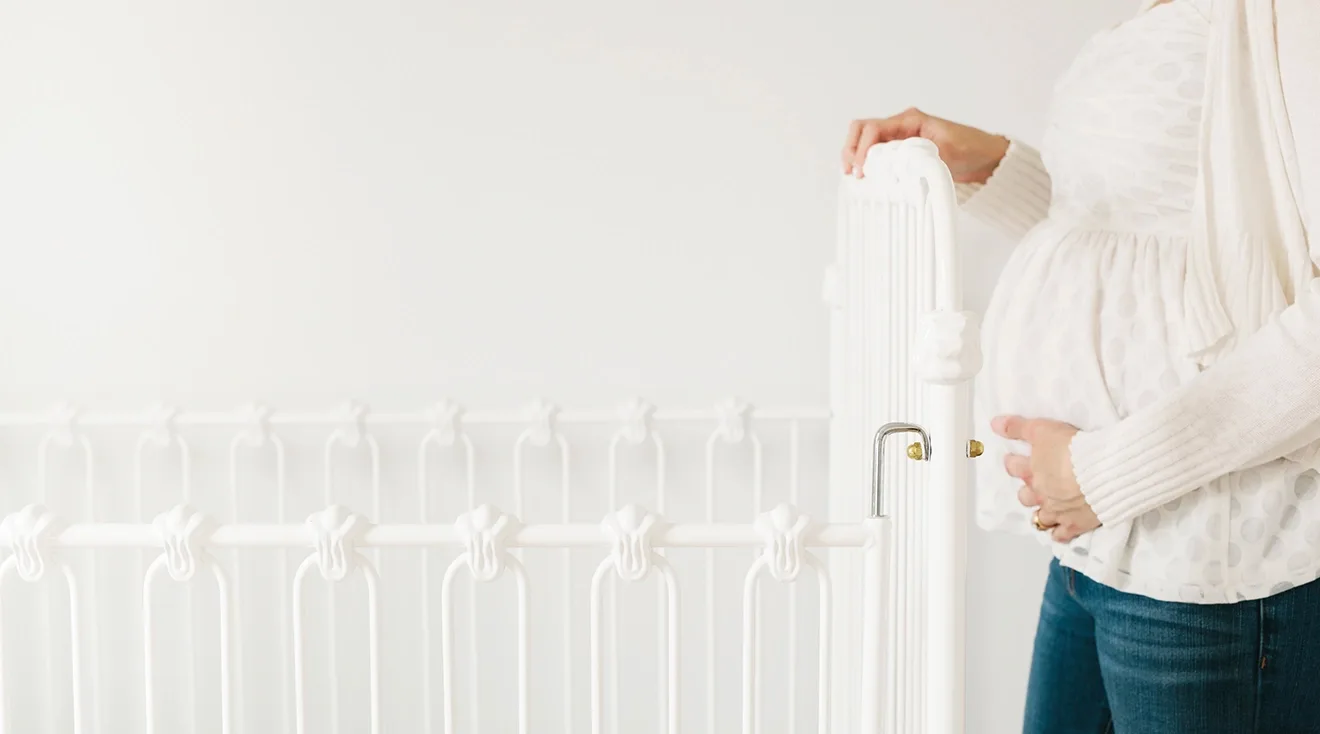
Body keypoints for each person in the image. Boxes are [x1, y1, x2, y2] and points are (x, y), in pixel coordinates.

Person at [842, 1, 1320, 732]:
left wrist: (1105, 473)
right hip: (1093, 543)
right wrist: (995, 166)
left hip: (1202, 556)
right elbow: (1142, 239)